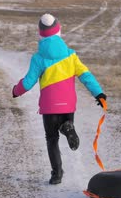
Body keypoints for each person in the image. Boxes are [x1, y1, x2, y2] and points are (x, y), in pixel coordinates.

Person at [12, 13, 106, 185]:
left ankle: (57, 174)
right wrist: (98, 94)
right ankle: (67, 126)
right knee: (63, 126)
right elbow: (86, 76)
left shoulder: (39, 58)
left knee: (51, 139)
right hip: (68, 106)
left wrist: (16, 91)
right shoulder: (71, 56)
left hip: (49, 107)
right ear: (59, 32)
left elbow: (28, 82)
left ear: (40, 34)